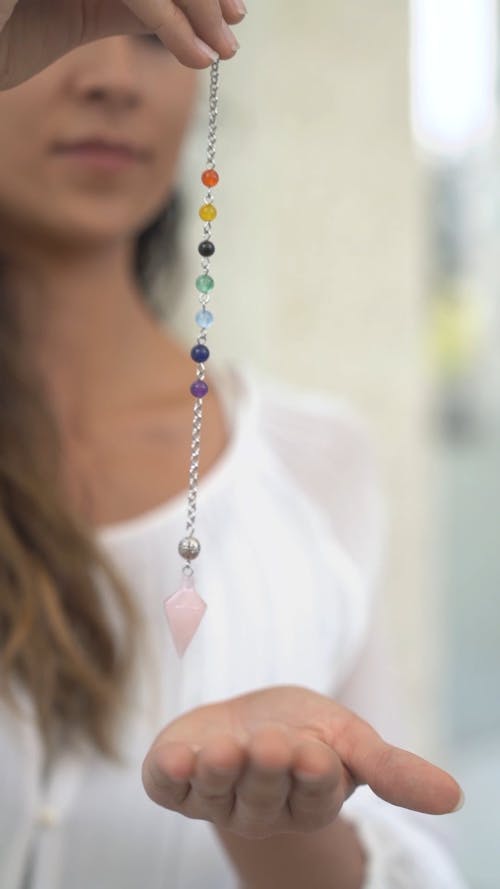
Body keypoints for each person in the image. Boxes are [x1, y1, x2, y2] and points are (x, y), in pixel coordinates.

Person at [0, 3, 468, 888]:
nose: (109, 79)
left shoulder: (313, 463)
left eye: (151, 32)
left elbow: (404, 860)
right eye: (52, 10)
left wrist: (281, 823)